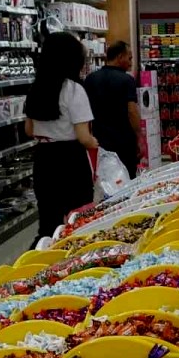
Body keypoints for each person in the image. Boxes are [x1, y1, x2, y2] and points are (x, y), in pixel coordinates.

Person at [23, 31, 98, 242]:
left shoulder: (36, 89)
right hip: (70, 160)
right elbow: (84, 137)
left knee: (48, 221)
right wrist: (95, 143)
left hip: (44, 158)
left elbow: (29, 130)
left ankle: (40, 263)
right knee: (77, 220)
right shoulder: (74, 90)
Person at [84, 40, 142, 178]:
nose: (131, 62)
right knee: (127, 180)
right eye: (129, 58)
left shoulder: (90, 79)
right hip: (124, 143)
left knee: (106, 180)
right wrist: (139, 136)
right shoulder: (127, 80)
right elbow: (132, 112)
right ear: (120, 57)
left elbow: (85, 114)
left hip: (100, 143)